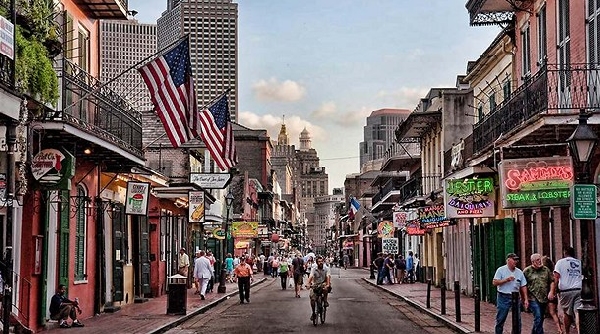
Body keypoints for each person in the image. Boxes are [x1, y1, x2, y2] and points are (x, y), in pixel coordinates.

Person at [492, 253, 528, 334]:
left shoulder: (519, 272)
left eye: (517, 260)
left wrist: (525, 299)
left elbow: (523, 285)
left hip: (515, 297)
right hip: (503, 296)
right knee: (501, 318)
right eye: (514, 260)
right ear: (508, 260)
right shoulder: (501, 270)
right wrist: (506, 280)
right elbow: (494, 282)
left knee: (517, 319)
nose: (516, 261)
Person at [548, 246, 582, 334]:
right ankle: (579, 331)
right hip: (578, 290)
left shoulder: (560, 262)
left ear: (565, 253)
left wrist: (553, 291)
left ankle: (567, 332)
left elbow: (556, 277)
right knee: (577, 312)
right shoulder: (579, 263)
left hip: (566, 291)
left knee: (567, 313)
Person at [523, 253, 553, 334]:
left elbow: (552, 281)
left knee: (540, 318)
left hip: (543, 297)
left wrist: (551, 291)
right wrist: (525, 299)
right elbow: (523, 285)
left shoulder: (546, 270)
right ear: (532, 262)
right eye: (537, 260)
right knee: (538, 316)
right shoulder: (527, 271)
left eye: (540, 259)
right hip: (532, 297)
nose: (540, 261)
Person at [542, 255, 564, 334]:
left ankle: (559, 329)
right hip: (554, 295)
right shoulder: (554, 274)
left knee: (551, 312)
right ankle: (560, 328)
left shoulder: (545, 274)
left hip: (547, 295)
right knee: (554, 312)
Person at [305, 255, 331, 322]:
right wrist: (308, 284)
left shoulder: (326, 268)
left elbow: (328, 277)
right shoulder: (314, 268)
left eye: (321, 261)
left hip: (323, 283)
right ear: (317, 262)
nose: (320, 263)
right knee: (312, 299)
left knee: (325, 288)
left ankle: (325, 301)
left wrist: (327, 284)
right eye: (319, 262)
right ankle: (314, 313)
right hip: (316, 284)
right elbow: (311, 276)